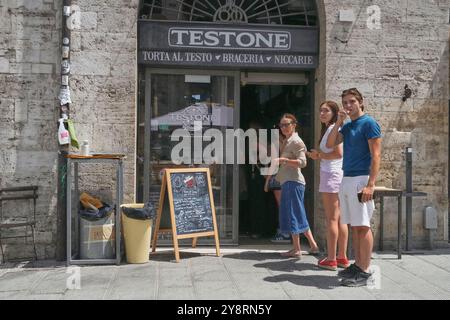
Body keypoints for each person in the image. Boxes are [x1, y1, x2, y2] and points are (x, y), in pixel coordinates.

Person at [326, 88, 382, 287]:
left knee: (363, 225)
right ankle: (358, 265)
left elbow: (376, 155)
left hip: (361, 179)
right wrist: (339, 121)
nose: (348, 106)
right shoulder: (348, 126)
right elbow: (331, 143)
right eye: (345, 103)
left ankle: (365, 271)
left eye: (352, 102)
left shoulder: (369, 123)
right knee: (355, 226)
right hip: (347, 179)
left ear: (360, 102)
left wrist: (370, 185)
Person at [306, 101, 349, 271]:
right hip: (335, 174)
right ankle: (341, 257)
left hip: (332, 175)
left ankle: (332, 259)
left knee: (332, 218)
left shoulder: (334, 129)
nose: (322, 113)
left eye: (326, 110)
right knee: (339, 219)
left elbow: (338, 154)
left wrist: (318, 155)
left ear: (334, 113)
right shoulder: (331, 129)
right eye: (321, 110)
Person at [273, 113, 319, 258]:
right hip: (289, 181)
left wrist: (284, 160)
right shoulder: (288, 140)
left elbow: (303, 162)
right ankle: (306, 246)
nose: (284, 128)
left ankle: (303, 247)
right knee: (295, 214)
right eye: (281, 125)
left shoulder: (296, 141)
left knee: (295, 214)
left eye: (287, 124)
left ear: (294, 125)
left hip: (294, 182)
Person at [264, 133, 290, 243]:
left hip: (279, 177)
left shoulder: (277, 147)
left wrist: (267, 181)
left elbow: (273, 165)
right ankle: (285, 232)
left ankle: (284, 232)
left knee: (281, 206)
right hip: (287, 178)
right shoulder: (288, 146)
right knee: (285, 205)